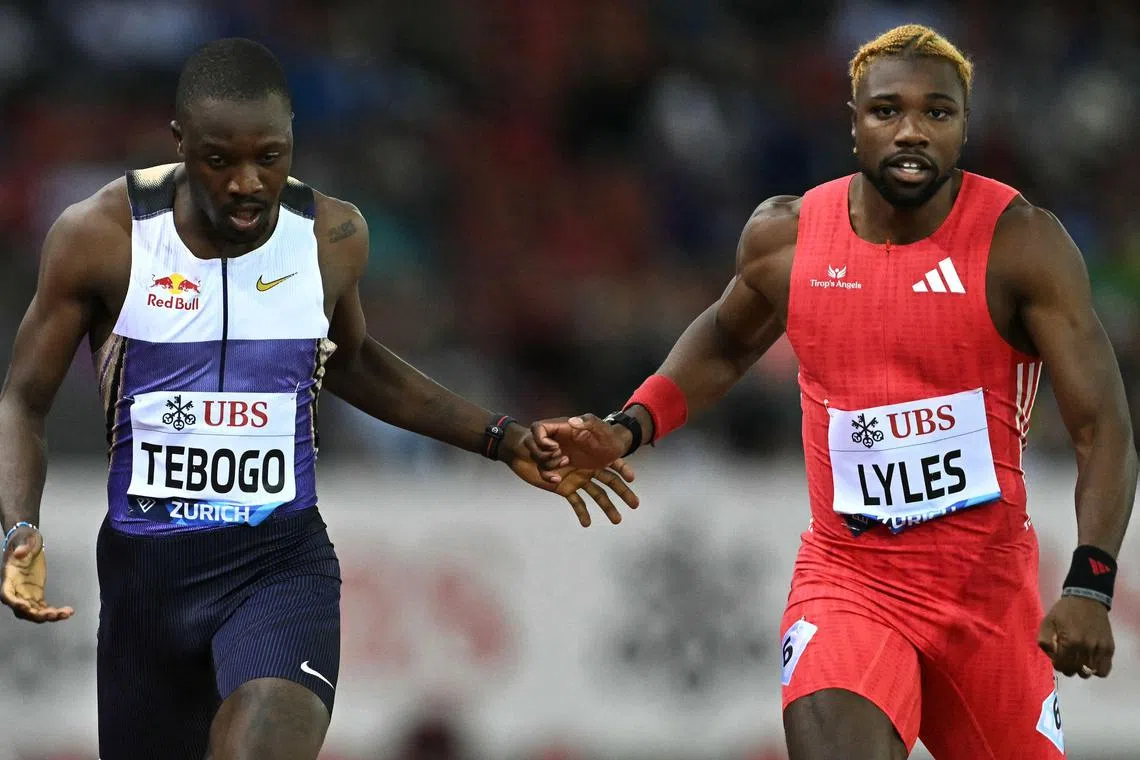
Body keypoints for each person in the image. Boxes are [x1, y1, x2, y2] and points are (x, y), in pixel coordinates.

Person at [0, 39, 637, 760]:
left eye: (270, 157)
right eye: (219, 160)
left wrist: (503, 437)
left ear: (293, 138)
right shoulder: (101, 237)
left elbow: (352, 360)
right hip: (148, 584)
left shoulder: (331, 235)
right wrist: (17, 528)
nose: (247, 183)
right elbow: (22, 401)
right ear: (179, 143)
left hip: (277, 565)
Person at [527, 24, 1137, 760]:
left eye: (937, 113)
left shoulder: (1023, 247)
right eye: (887, 111)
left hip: (986, 600)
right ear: (854, 125)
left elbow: (1102, 430)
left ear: (964, 126)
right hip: (850, 582)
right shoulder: (788, 238)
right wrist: (629, 428)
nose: (911, 131)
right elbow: (727, 337)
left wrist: (1092, 584)